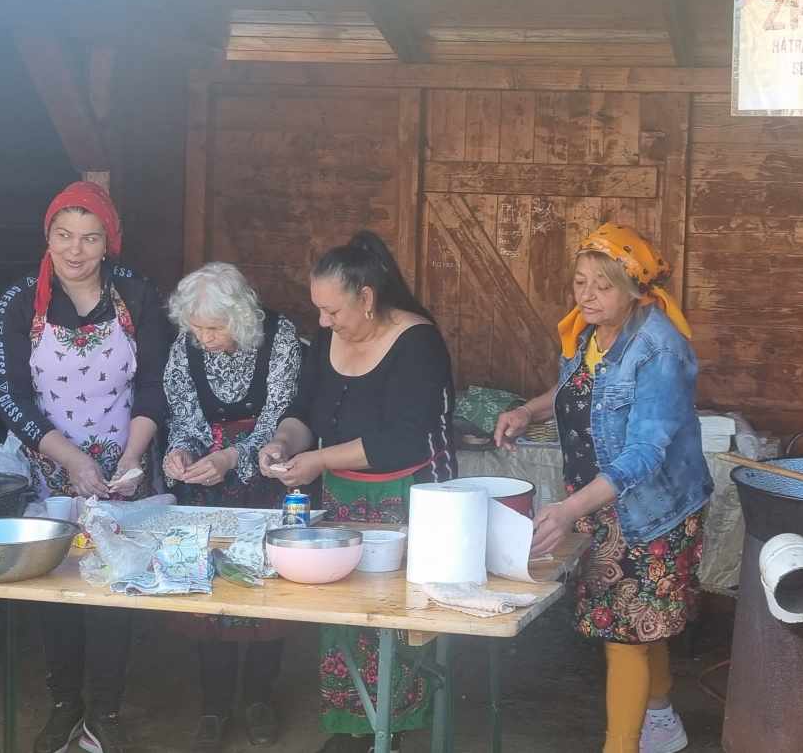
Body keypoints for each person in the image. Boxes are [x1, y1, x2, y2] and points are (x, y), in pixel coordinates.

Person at [494, 223, 712, 753]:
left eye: (602, 285)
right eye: (580, 282)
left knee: (626, 635)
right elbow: (581, 387)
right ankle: (660, 720)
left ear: (634, 290)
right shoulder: (592, 333)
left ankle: (622, 744)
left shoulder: (659, 349)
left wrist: (571, 508)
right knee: (641, 625)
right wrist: (529, 410)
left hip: (651, 512)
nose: (587, 296)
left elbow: (645, 453)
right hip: (600, 503)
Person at [0, 181, 175, 753]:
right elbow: (9, 393)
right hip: (49, 465)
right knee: (57, 585)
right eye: (64, 235)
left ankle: (106, 710)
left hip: (126, 462)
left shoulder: (136, 294)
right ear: (47, 237)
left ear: (108, 242)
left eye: (90, 238)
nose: (75, 249)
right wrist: (68, 458)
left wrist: (132, 456)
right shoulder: (19, 301)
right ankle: (64, 704)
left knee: (115, 584)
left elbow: (156, 384)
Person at [259, 231, 455, 753]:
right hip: (345, 495)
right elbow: (305, 409)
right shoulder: (328, 338)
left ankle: (393, 728)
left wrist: (318, 460)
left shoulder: (418, 343)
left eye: (332, 310)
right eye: (319, 311)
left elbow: (402, 439)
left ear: (366, 297)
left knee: (397, 616)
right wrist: (283, 443)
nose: (323, 322)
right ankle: (351, 725)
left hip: (410, 495)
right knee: (344, 612)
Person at [161, 262, 302, 751]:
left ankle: (260, 698)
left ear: (240, 318)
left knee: (264, 590)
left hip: (266, 475)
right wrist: (180, 453)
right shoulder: (187, 345)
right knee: (211, 593)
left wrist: (234, 458)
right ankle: (214, 706)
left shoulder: (280, 339)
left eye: (214, 329)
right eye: (196, 328)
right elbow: (183, 416)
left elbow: (282, 416)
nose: (203, 339)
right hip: (208, 482)